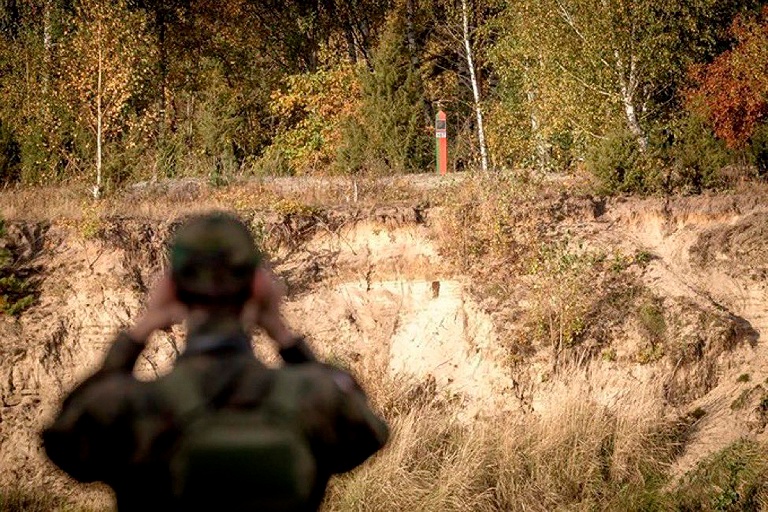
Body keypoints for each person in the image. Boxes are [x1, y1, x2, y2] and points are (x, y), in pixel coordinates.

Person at [42, 211, 389, 511]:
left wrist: (142, 328)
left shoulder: (131, 408)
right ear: (257, 287)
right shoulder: (313, 399)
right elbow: (367, 433)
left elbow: (66, 436)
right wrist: (279, 330)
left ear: (173, 289)